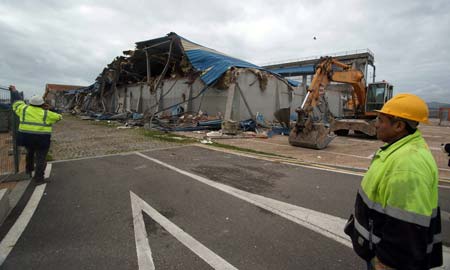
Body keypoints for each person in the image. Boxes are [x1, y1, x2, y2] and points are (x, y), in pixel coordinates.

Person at [344, 93, 442, 270]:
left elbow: (406, 227)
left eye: (381, 120)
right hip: (377, 249)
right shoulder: (399, 149)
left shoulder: (408, 165)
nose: (376, 124)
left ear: (398, 125)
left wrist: (387, 263)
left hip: (387, 261)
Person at [10, 86, 62, 183]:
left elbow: (17, 102)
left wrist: (14, 90)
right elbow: (59, 117)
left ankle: (28, 170)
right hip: (41, 140)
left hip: (26, 138)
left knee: (29, 153)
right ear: (42, 104)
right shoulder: (47, 113)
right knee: (40, 159)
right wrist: (51, 109)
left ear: (30, 103)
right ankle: (38, 179)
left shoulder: (24, 109)